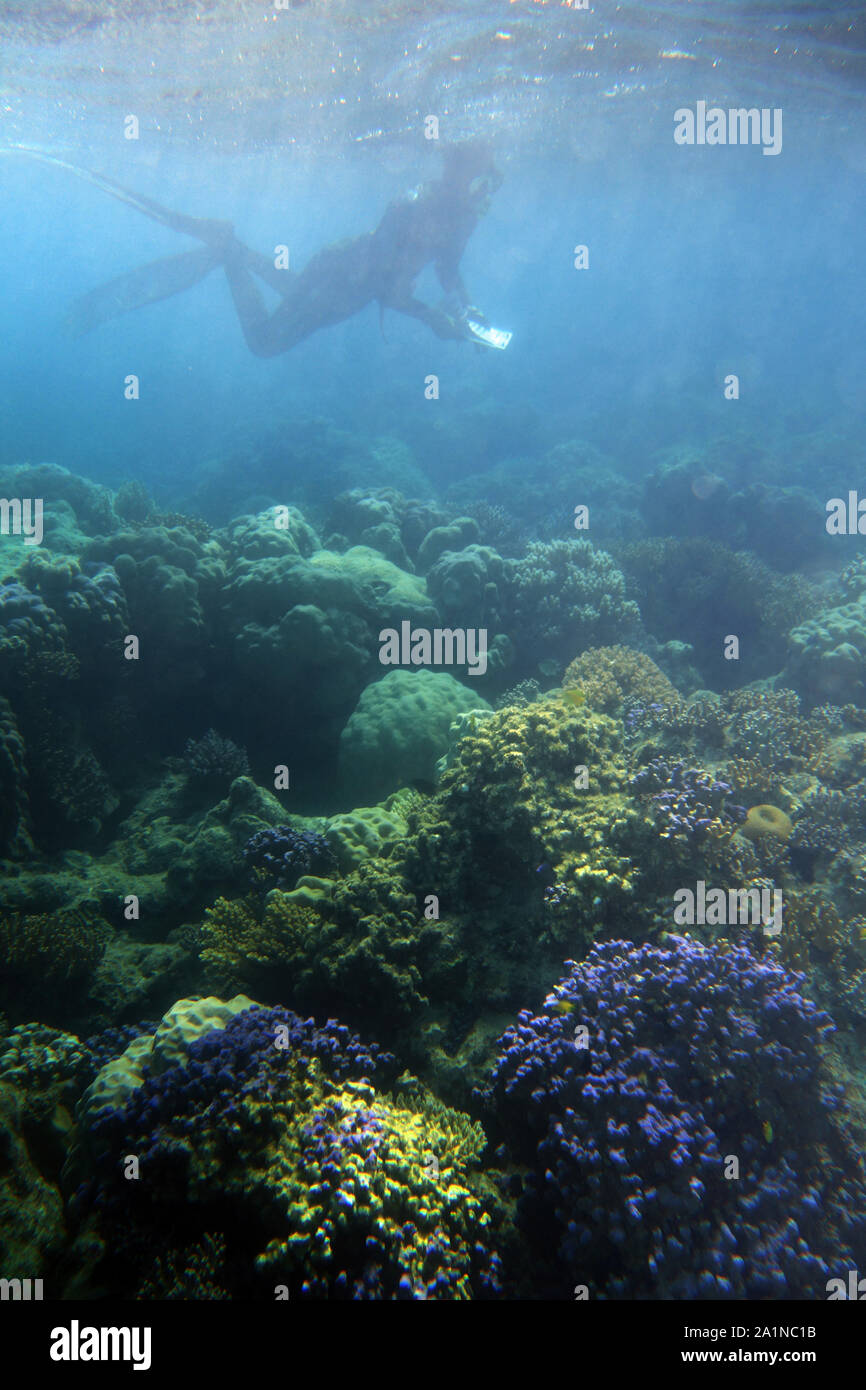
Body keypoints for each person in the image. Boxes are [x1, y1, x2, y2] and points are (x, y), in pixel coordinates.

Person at [54, 141, 504, 353]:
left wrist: (466, 311)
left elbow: (449, 269)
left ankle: (235, 248)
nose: (487, 189)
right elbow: (388, 285)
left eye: (489, 179)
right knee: (265, 344)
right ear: (459, 171)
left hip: (346, 280)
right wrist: (434, 320)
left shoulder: (461, 215)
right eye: (482, 176)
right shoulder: (416, 204)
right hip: (343, 278)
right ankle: (228, 254)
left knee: (295, 292)